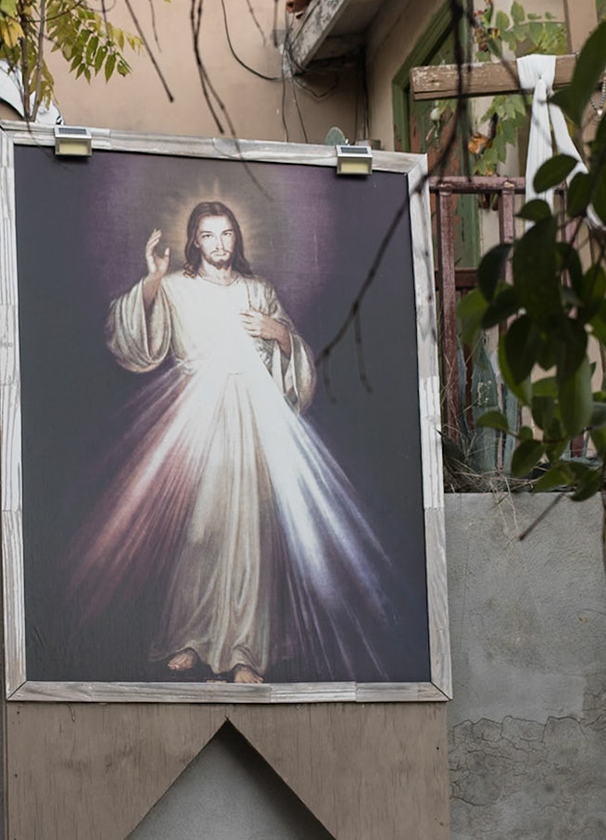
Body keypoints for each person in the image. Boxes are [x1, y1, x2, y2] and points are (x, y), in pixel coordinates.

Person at [82, 199, 399, 684]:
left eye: (226, 233)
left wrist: (279, 334)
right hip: (198, 420)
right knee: (199, 531)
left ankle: (245, 651)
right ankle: (191, 636)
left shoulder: (258, 290)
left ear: (237, 237)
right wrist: (152, 279)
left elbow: (296, 358)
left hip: (254, 421)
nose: (219, 244)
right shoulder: (175, 287)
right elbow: (130, 337)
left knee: (252, 532)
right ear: (195, 240)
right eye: (209, 235)